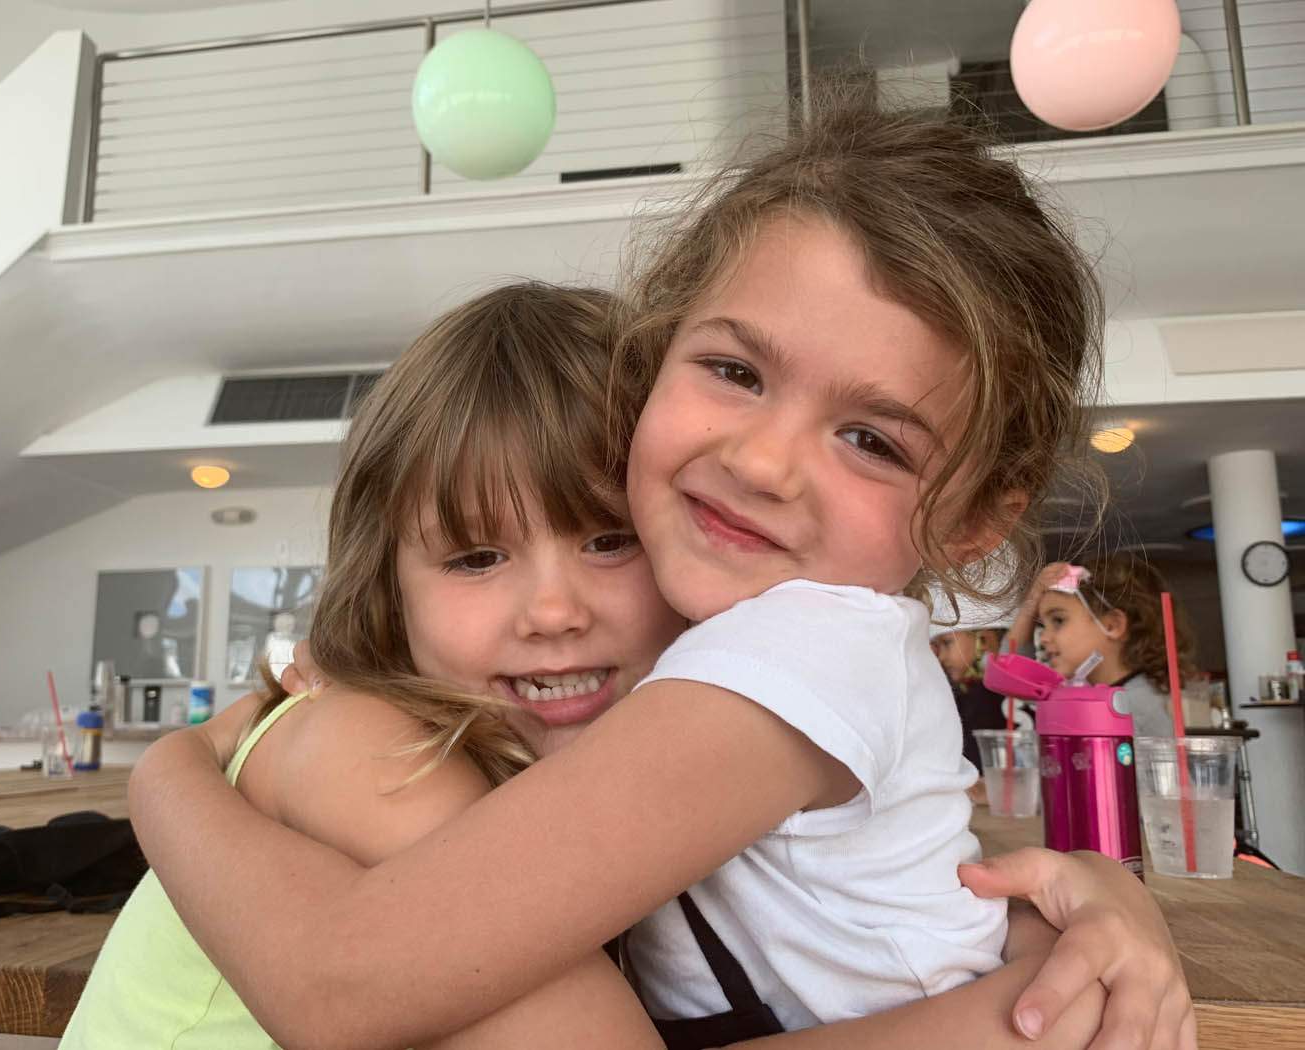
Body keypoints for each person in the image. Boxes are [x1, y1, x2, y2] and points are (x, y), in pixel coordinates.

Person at [127, 81, 1196, 1050]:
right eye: (734, 371)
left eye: (872, 440)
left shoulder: (801, 648)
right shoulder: (745, 654)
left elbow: (334, 986)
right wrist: (1083, 898)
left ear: (971, 522)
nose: (762, 462)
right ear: (655, 361)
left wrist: (167, 777)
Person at [62, 282, 687, 1049]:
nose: (554, 611)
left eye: (609, 538)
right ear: (390, 590)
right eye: (478, 557)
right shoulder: (369, 748)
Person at [1007, 554, 1197, 737]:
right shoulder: (1085, 694)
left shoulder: (1138, 708)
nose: (1043, 638)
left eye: (1058, 620)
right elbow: (1010, 673)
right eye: (1042, 625)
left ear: (1111, 625)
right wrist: (1031, 602)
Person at [929, 591, 1017, 780]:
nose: (941, 657)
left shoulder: (988, 696)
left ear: (984, 641)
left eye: (947, 643)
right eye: (938, 647)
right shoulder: (964, 695)